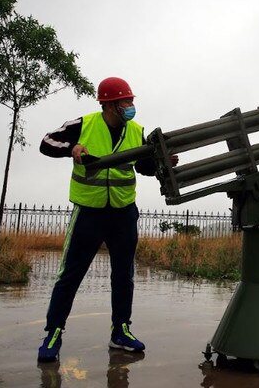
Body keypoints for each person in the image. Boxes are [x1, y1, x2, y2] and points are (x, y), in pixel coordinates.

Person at [37, 77, 176, 362]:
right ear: (110, 105)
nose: (132, 106)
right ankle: (53, 333)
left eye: (132, 101)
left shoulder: (136, 130)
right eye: (127, 101)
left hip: (123, 212)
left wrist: (163, 161)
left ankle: (120, 331)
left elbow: (144, 167)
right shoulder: (83, 124)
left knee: (123, 275)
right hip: (89, 211)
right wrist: (71, 149)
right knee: (70, 275)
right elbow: (46, 143)